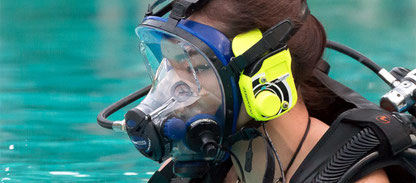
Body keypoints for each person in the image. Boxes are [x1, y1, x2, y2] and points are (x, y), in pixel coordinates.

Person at [97, 0, 416, 182]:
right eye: (169, 63)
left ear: (264, 73)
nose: (173, 85)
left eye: (195, 65)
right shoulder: (197, 168)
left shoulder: (354, 175)